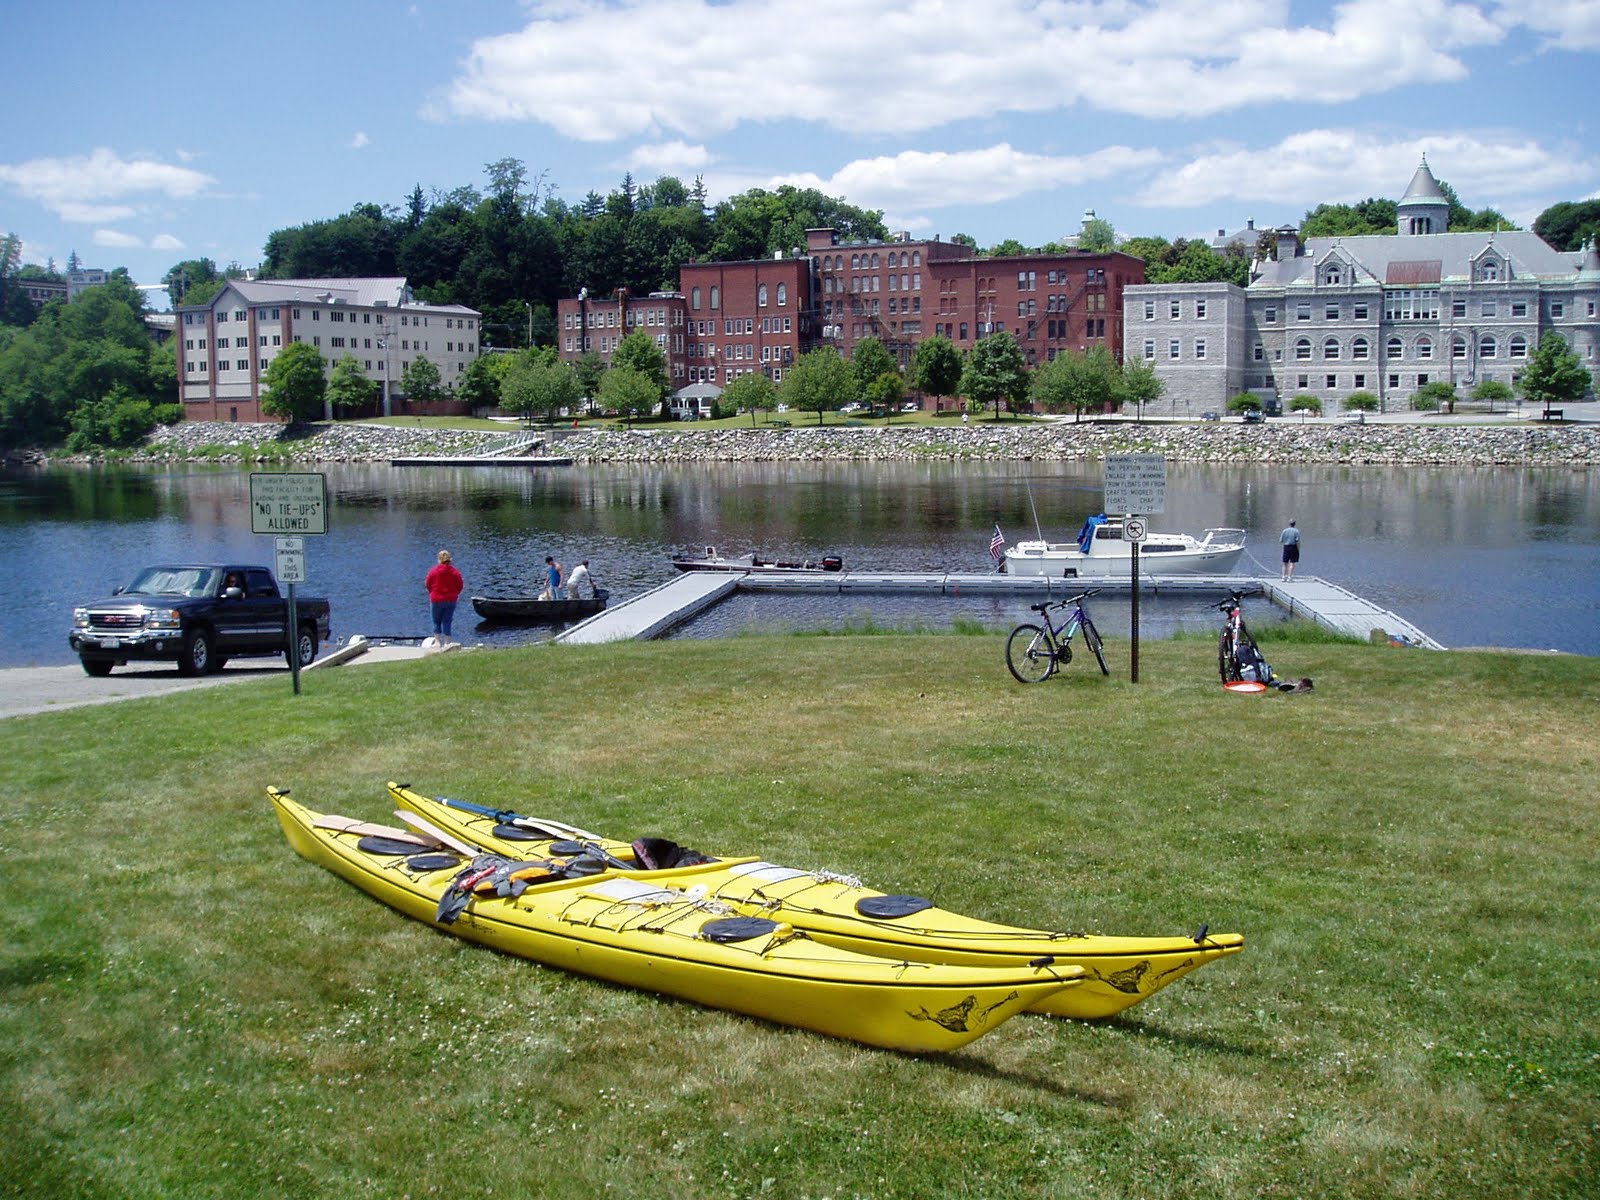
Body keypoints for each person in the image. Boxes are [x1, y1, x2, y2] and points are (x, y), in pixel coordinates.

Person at [425, 550, 464, 643]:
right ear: (450, 559)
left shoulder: (433, 571)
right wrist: (455, 593)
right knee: (447, 621)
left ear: (439, 560)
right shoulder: (455, 572)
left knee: (436, 621)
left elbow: (428, 584)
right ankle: (447, 642)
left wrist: (432, 593)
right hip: (451, 599)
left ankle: (437, 642)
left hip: (436, 599)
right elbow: (460, 585)